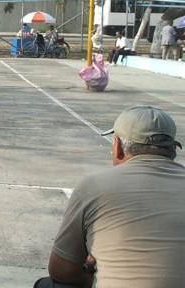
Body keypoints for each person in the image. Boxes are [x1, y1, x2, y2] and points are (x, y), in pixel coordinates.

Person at [35, 106, 185, 288]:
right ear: (173, 149)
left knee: (49, 285)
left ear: (117, 147)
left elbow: (61, 271)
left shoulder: (94, 187)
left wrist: (91, 272)